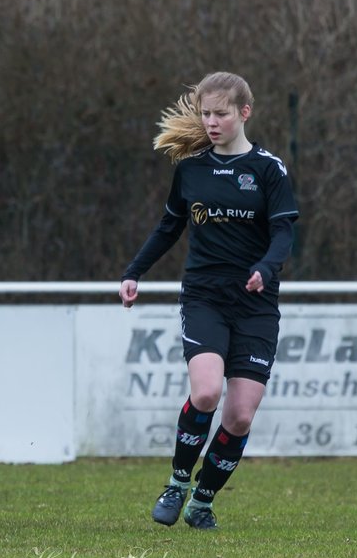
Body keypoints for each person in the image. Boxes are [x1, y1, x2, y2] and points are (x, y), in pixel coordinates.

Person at [119, 72, 299, 531]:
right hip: (204, 297)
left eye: (221, 113)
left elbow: (283, 233)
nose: (212, 122)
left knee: (239, 415)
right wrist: (134, 272)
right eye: (206, 113)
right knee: (205, 392)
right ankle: (177, 483)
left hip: (256, 304)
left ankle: (203, 499)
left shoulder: (268, 170)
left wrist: (264, 268)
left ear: (245, 113)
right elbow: (168, 227)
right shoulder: (192, 169)